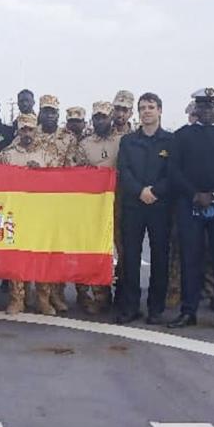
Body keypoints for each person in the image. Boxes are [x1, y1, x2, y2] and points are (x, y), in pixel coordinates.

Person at [168, 88, 214, 334]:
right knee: (190, 259)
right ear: (196, 108)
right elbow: (174, 170)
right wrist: (194, 194)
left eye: (211, 106)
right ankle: (188, 311)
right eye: (202, 106)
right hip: (190, 203)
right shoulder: (182, 136)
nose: (207, 110)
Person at [0, 113, 64, 315]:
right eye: (23, 129)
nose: (27, 133)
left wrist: (41, 172)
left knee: (42, 256)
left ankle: (43, 298)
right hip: (16, 212)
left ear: (36, 130)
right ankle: (17, 298)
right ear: (18, 131)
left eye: (31, 129)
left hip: (41, 212)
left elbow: (60, 181)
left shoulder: (48, 153)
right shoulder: (7, 155)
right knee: (16, 256)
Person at [116, 92, 173, 325]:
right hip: (133, 205)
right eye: (143, 108)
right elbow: (124, 171)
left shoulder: (170, 141)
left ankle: (156, 308)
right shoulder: (128, 141)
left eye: (151, 107)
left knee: (160, 257)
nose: (147, 111)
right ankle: (130, 306)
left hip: (160, 206)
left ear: (160, 110)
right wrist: (140, 191)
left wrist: (155, 191)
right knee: (130, 257)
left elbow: (173, 173)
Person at [73, 101, 121, 315]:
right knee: (92, 250)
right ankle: (94, 296)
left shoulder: (123, 141)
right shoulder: (84, 144)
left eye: (104, 117)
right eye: (96, 117)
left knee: (119, 251)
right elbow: (79, 173)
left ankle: (120, 295)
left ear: (111, 118)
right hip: (93, 205)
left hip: (119, 203)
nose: (100, 121)